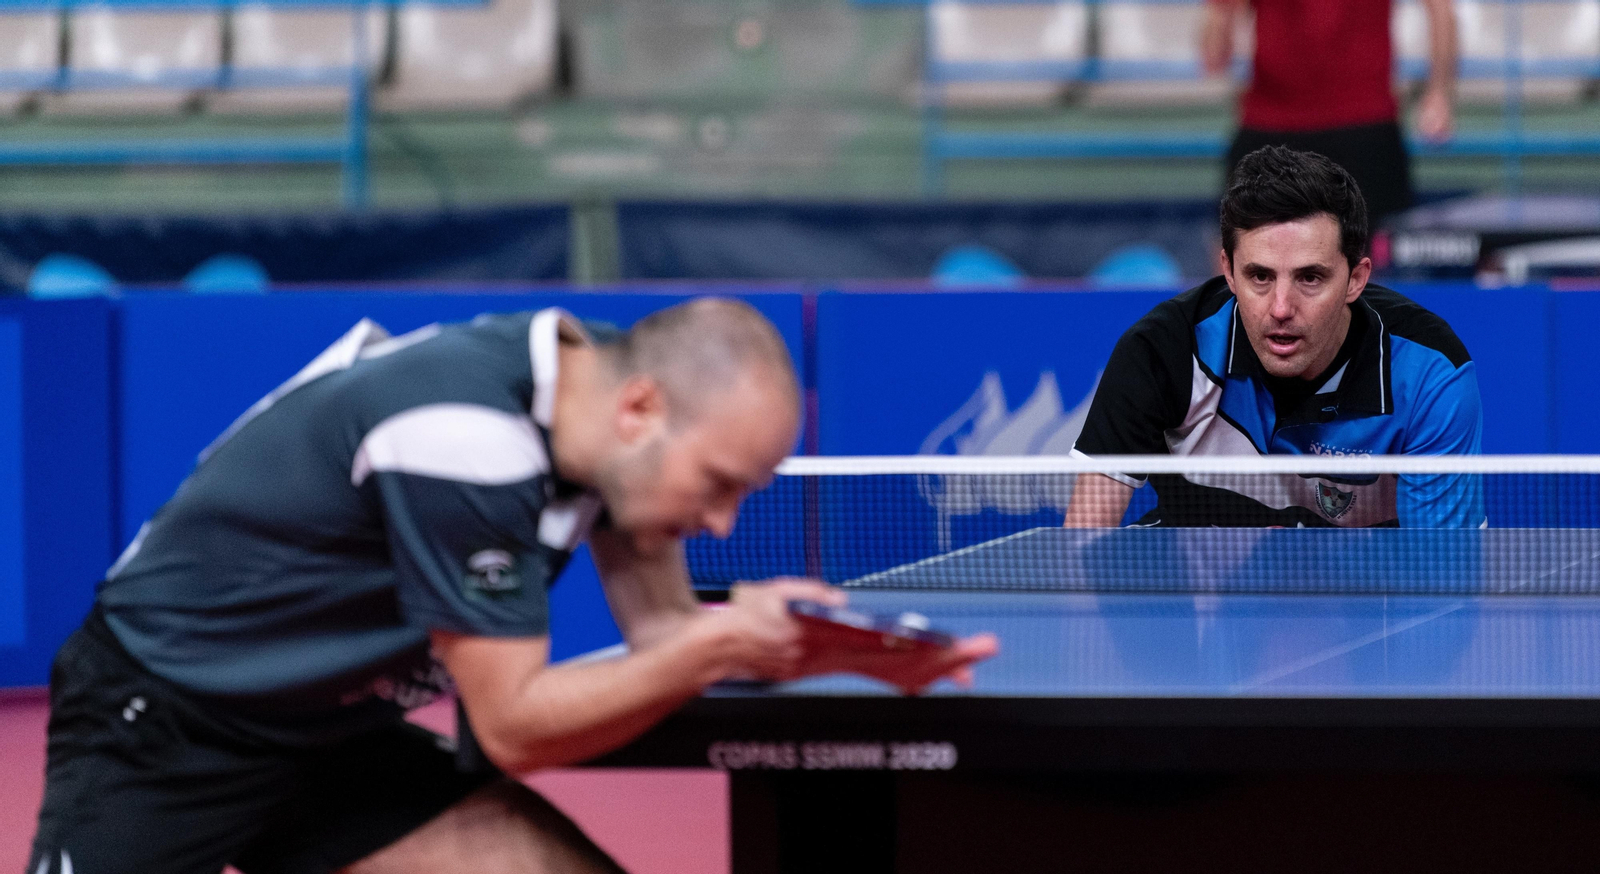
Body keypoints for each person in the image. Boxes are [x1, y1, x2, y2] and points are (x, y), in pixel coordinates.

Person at [29, 299, 998, 874]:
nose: (720, 525)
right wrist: (721, 642)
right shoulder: (468, 439)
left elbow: (663, 632)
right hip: (165, 719)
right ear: (641, 411)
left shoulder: (605, 409)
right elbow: (514, 726)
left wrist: (808, 647)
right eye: (717, 486)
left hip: (327, 736)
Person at [1064, 145, 1483, 529]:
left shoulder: (1428, 373)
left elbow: (1443, 585)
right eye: (1260, 276)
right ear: (1227, 271)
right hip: (1195, 597)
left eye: (1310, 277)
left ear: (1356, 279)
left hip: (1369, 601)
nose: (1281, 308)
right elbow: (1082, 550)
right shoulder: (1162, 354)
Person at [1201, 0, 1458, 224]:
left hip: (1362, 124)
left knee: (1376, 258)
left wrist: (1439, 93)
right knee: (1236, 249)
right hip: (1277, 121)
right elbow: (1215, 55)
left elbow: (1440, 10)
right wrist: (1438, 93)